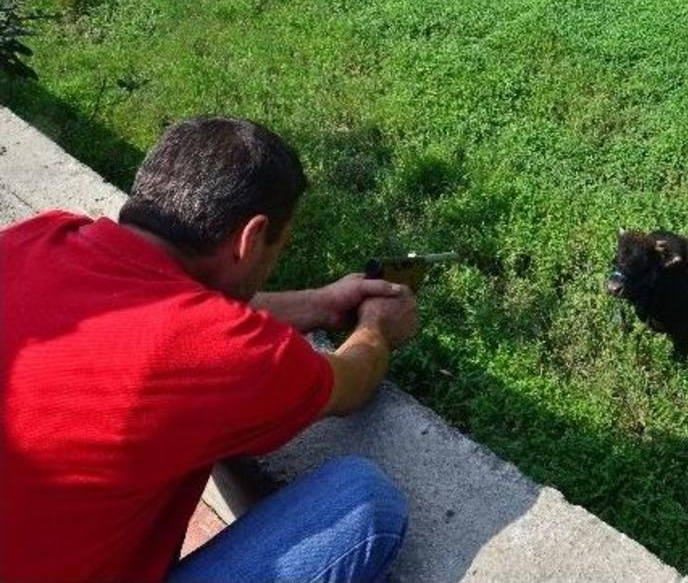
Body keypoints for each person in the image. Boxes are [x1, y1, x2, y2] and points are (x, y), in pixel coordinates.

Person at [0, 117, 418, 582]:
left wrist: (317, 305)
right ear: (251, 238)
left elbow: (169, 307)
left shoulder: (36, 237)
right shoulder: (219, 352)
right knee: (363, 502)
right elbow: (351, 382)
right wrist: (377, 327)